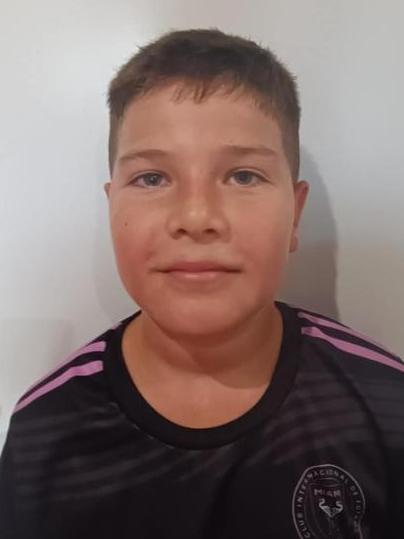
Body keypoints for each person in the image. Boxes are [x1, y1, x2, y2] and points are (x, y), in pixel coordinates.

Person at [0, 27, 403, 539]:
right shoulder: (47, 431)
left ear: (295, 214)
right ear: (111, 205)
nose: (196, 217)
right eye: (151, 178)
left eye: (243, 176)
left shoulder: (388, 408)